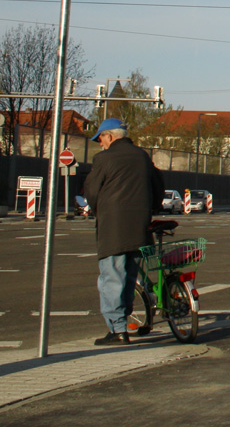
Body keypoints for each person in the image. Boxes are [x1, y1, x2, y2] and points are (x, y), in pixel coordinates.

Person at [84, 118, 164, 346]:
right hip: (139, 228)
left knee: (111, 279)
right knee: (129, 277)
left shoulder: (103, 159)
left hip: (113, 229)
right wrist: (151, 207)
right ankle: (122, 323)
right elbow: (158, 186)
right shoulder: (142, 157)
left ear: (110, 136)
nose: (100, 144)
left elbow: (91, 191)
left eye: (100, 138)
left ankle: (118, 330)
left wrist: (98, 208)